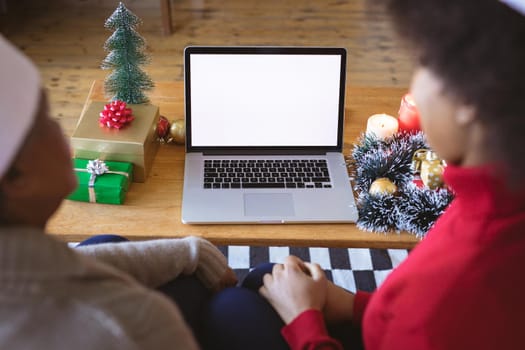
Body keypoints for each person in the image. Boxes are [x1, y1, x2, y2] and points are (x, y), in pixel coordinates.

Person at [203, 0, 525, 349]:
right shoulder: (500, 201)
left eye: (424, 63)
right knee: (265, 276)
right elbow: (406, 313)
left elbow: (422, 319)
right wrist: (349, 304)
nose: (415, 89)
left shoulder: (450, 289)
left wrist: (304, 318)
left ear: (470, 98)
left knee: (226, 306)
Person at [0, 34, 237, 349]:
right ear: (16, 180)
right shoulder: (132, 325)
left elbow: (70, 262)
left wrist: (189, 250)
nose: (61, 128)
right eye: (46, 121)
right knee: (237, 302)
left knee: (104, 242)